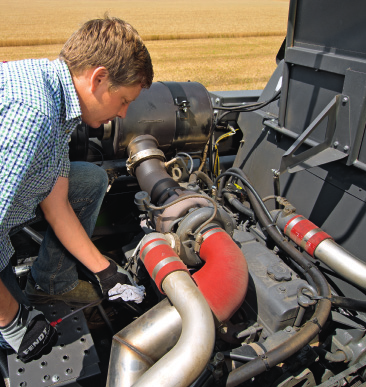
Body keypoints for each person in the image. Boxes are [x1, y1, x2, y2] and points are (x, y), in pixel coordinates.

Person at [0, 16, 153, 363]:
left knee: (88, 182)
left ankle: (50, 284)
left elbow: (58, 204)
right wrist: (12, 322)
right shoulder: (34, 114)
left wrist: (106, 271)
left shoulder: (57, 100)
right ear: (99, 78)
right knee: (16, 338)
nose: (123, 112)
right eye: (124, 99)